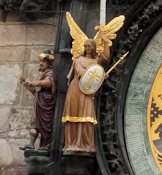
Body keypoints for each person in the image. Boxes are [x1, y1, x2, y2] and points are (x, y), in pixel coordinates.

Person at [61, 11, 125, 153]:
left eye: (90, 46)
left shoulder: (96, 61)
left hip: (88, 91)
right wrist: (97, 76)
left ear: (94, 47)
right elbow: (81, 73)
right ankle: (71, 143)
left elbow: (106, 58)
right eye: (86, 46)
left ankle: (85, 143)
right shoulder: (79, 60)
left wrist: (105, 41)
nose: (88, 48)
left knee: (87, 115)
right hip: (77, 88)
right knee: (73, 114)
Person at [19, 52, 56, 149]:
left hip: (46, 103)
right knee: (34, 123)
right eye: (40, 61)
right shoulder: (42, 74)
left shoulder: (50, 73)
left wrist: (36, 83)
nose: (41, 63)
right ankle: (31, 144)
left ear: (48, 63)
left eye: (43, 61)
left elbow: (48, 83)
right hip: (38, 101)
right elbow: (35, 90)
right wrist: (26, 84)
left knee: (45, 125)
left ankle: (47, 144)